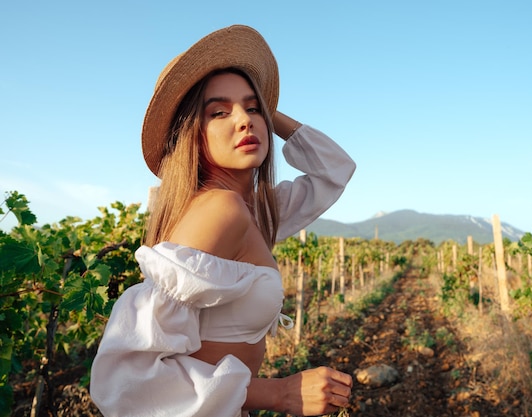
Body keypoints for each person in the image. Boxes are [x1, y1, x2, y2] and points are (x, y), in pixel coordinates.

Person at [90, 25, 356, 417]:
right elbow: (128, 380)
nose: (244, 121)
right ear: (192, 136)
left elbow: (334, 171)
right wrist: (279, 394)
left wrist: (267, 110)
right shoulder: (222, 211)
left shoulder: (254, 209)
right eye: (218, 112)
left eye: (251, 109)